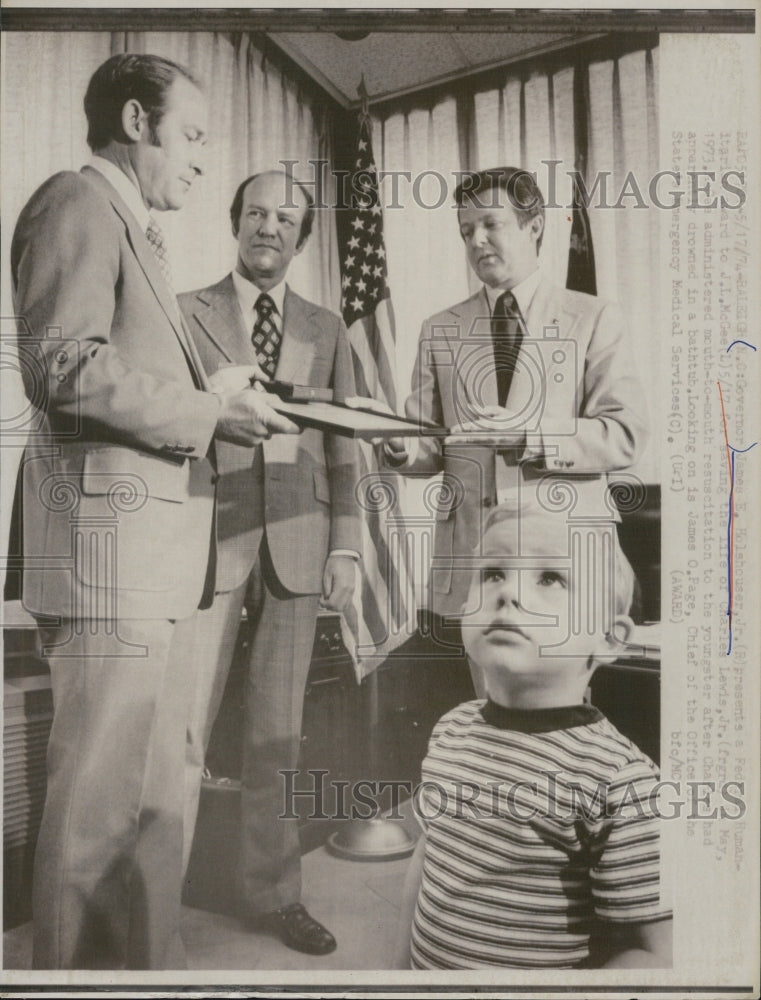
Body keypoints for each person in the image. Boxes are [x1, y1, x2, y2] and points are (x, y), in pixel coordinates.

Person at [10, 53, 297, 970]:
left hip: (157, 568)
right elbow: (62, 369)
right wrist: (210, 411)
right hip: (109, 567)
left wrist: (207, 386)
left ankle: (147, 978)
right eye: (195, 136)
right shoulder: (75, 202)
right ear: (136, 122)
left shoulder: (135, 227)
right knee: (97, 819)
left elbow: (113, 366)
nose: (205, 160)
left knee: (158, 802)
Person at [179, 170, 360, 956]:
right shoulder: (185, 313)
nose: (269, 228)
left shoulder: (328, 327)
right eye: (256, 212)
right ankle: (149, 889)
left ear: (301, 236)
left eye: (286, 218)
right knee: (180, 730)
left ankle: (275, 893)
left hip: (299, 538)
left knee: (276, 735)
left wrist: (348, 541)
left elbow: (345, 442)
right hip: (204, 540)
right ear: (235, 221)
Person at [384, 167, 648, 691]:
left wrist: (532, 437)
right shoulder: (440, 328)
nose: (476, 240)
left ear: (534, 226)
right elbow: (428, 445)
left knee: (561, 715)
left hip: (568, 559)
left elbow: (625, 434)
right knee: (490, 712)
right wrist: (397, 450)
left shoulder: (593, 317)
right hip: (478, 563)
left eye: (490, 224)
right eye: (465, 231)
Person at [395, 499, 672, 969]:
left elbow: (656, 952)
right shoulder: (452, 729)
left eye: (550, 578)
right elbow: (431, 854)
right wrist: (400, 970)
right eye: (492, 573)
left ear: (609, 638)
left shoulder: (619, 779)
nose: (508, 595)